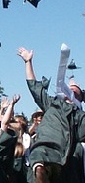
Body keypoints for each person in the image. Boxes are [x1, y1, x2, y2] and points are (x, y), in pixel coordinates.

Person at [17, 46, 85, 183]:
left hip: (61, 153)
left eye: (74, 91)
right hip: (42, 148)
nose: (70, 92)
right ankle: (40, 171)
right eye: (68, 89)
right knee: (38, 158)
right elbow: (35, 87)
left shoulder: (79, 115)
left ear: (80, 99)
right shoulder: (52, 103)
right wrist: (28, 62)